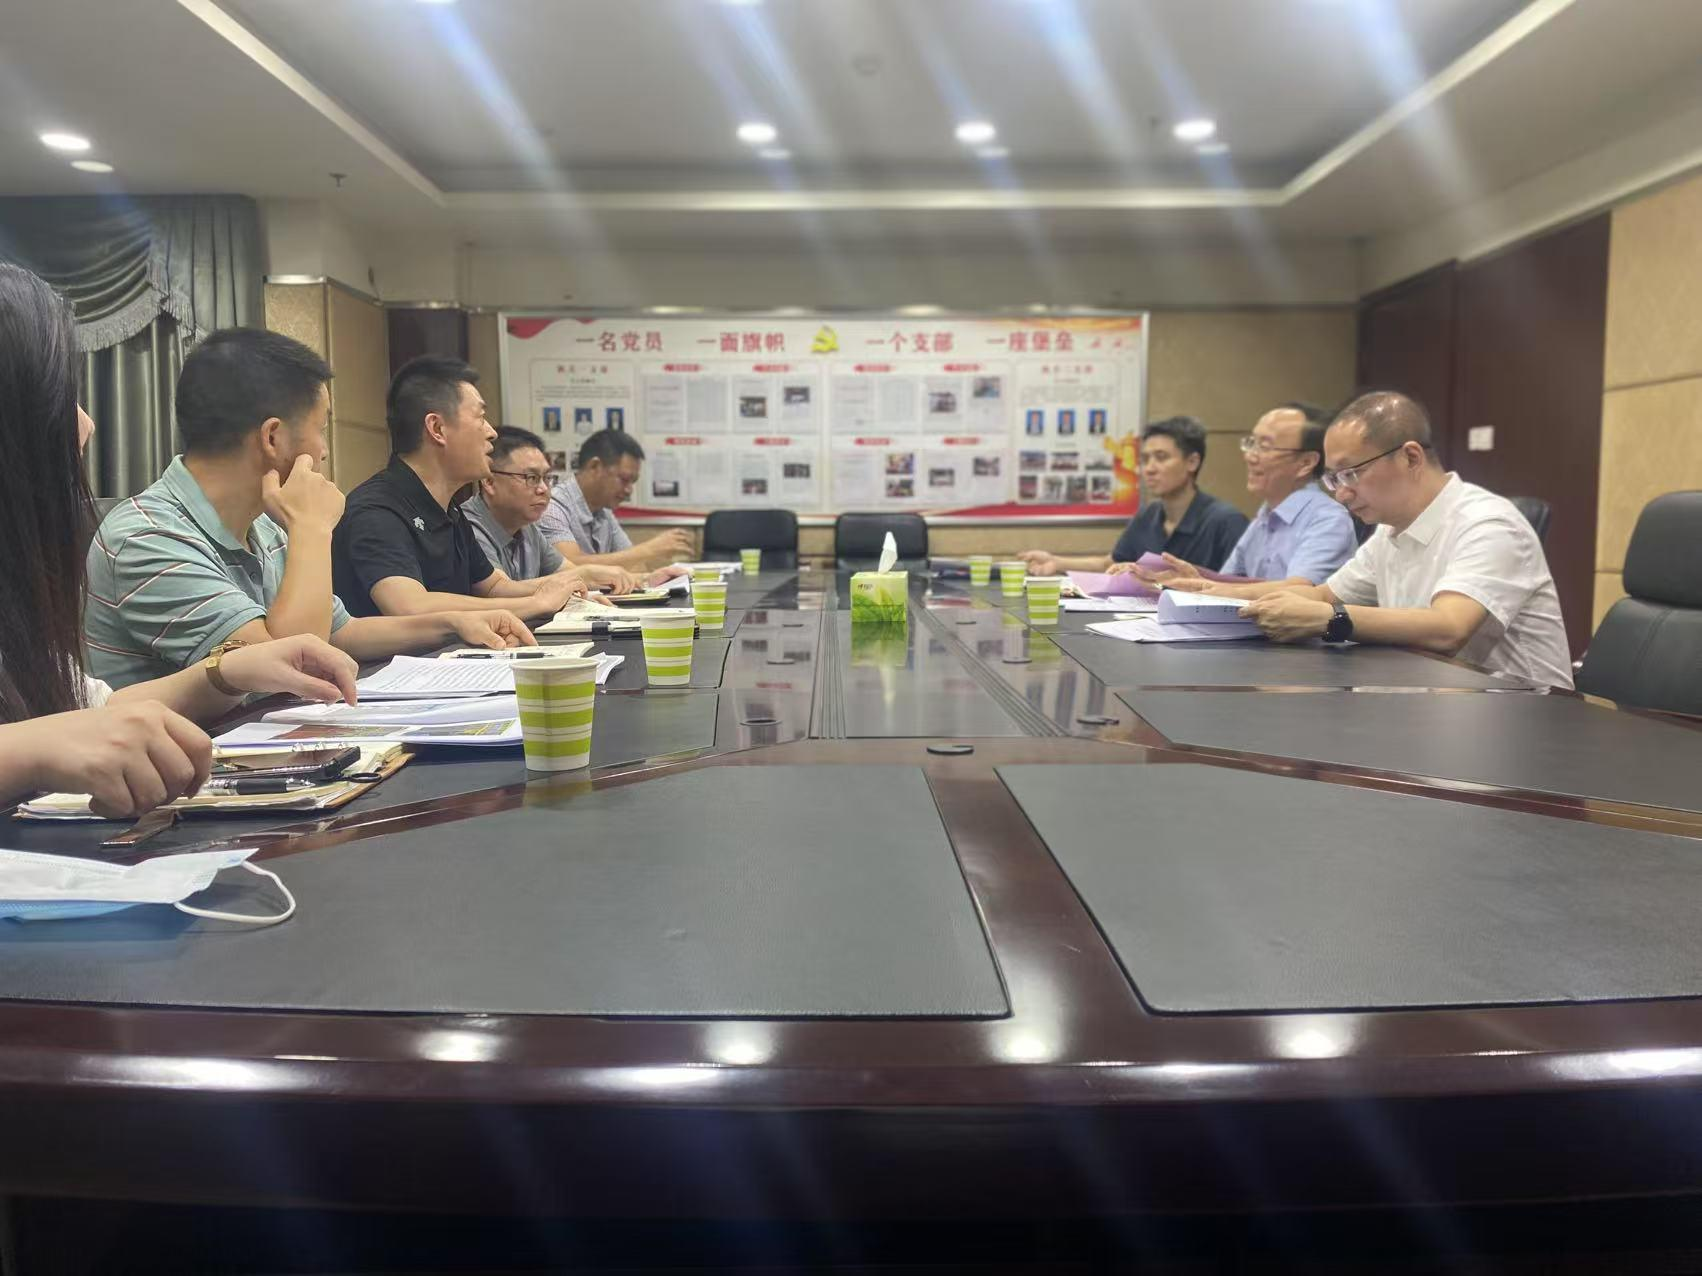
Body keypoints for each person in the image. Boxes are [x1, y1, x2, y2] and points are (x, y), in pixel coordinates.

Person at [0, 263, 358, 818]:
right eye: (57, 395)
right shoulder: (144, 532)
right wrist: (31, 749)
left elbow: (88, 706)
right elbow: (58, 730)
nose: (86, 424)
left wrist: (225, 672)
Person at [86, 330, 542, 690]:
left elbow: (341, 632)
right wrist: (311, 527)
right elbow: (292, 668)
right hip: (188, 776)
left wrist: (454, 623)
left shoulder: (264, 528)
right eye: (320, 430)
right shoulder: (147, 535)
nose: (323, 451)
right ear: (273, 437)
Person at [1216, 391, 1573, 688]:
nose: (1341, 494)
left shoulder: (1489, 523)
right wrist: (1213, 596)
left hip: (1517, 719)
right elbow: (1324, 595)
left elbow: (1449, 628)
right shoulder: (1389, 531)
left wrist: (1330, 619)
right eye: (1333, 479)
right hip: (1430, 705)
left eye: (1351, 474)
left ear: (1410, 457)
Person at [330, 355, 600, 620]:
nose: (492, 432)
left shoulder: (449, 509)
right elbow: (410, 606)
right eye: (480, 417)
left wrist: (564, 591)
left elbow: (493, 588)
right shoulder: (377, 508)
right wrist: (535, 604)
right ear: (437, 428)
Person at [1117, 403, 1356, 588]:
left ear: (1305, 463)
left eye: (1264, 446)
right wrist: (1183, 578)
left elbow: (1297, 592)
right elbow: (1228, 581)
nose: (1249, 456)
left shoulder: (1327, 519)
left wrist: (1201, 584)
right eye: (1251, 443)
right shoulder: (1265, 516)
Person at [1018, 416, 1248, 576]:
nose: (1149, 468)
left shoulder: (1226, 521)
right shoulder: (1148, 514)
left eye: (1161, 457)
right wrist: (1056, 562)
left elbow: (1238, 588)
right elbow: (1112, 563)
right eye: (1145, 459)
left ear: (1192, 462)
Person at [464, 426, 682, 595]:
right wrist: (580, 578)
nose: (543, 489)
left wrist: (646, 580)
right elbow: (497, 591)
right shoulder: (468, 527)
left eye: (546, 478)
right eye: (531, 477)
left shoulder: (527, 527)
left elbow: (570, 572)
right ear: (489, 481)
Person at [539, 430, 692, 574]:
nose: (629, 490)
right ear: (595, 466)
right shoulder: (552, 507)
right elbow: (568, 566)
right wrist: (650, 550)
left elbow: (635, 565)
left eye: (633, 482)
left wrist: (654, 573)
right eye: (624, 479)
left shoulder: (604, 512)